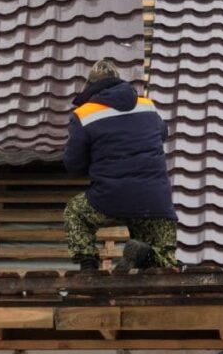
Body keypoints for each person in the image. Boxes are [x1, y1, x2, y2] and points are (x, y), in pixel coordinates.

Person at [62, 59, 177, 271]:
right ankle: (146, 255)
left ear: (90, 85)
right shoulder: (147, 105)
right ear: (119, 82)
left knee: (74, 213)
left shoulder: (84, 114)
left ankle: (88, 266)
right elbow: (162, 132)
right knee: (166, 260)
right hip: (156, 201)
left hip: (110, 198)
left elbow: (73, 164)